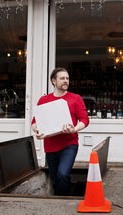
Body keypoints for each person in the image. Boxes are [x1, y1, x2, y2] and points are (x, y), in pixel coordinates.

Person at [31, 67, 89, 195]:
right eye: (62, 78)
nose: (66, 81)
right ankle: (61, 199)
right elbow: (34, 122)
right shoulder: (44, 100)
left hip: (70, 143)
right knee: (56, 177)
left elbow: (85, 120)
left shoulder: (75, 98)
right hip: (50, 146)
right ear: (53, 81)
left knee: (63, 174)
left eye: (67, 78)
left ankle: (62, 204)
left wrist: (74, 129)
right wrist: (37, 131)